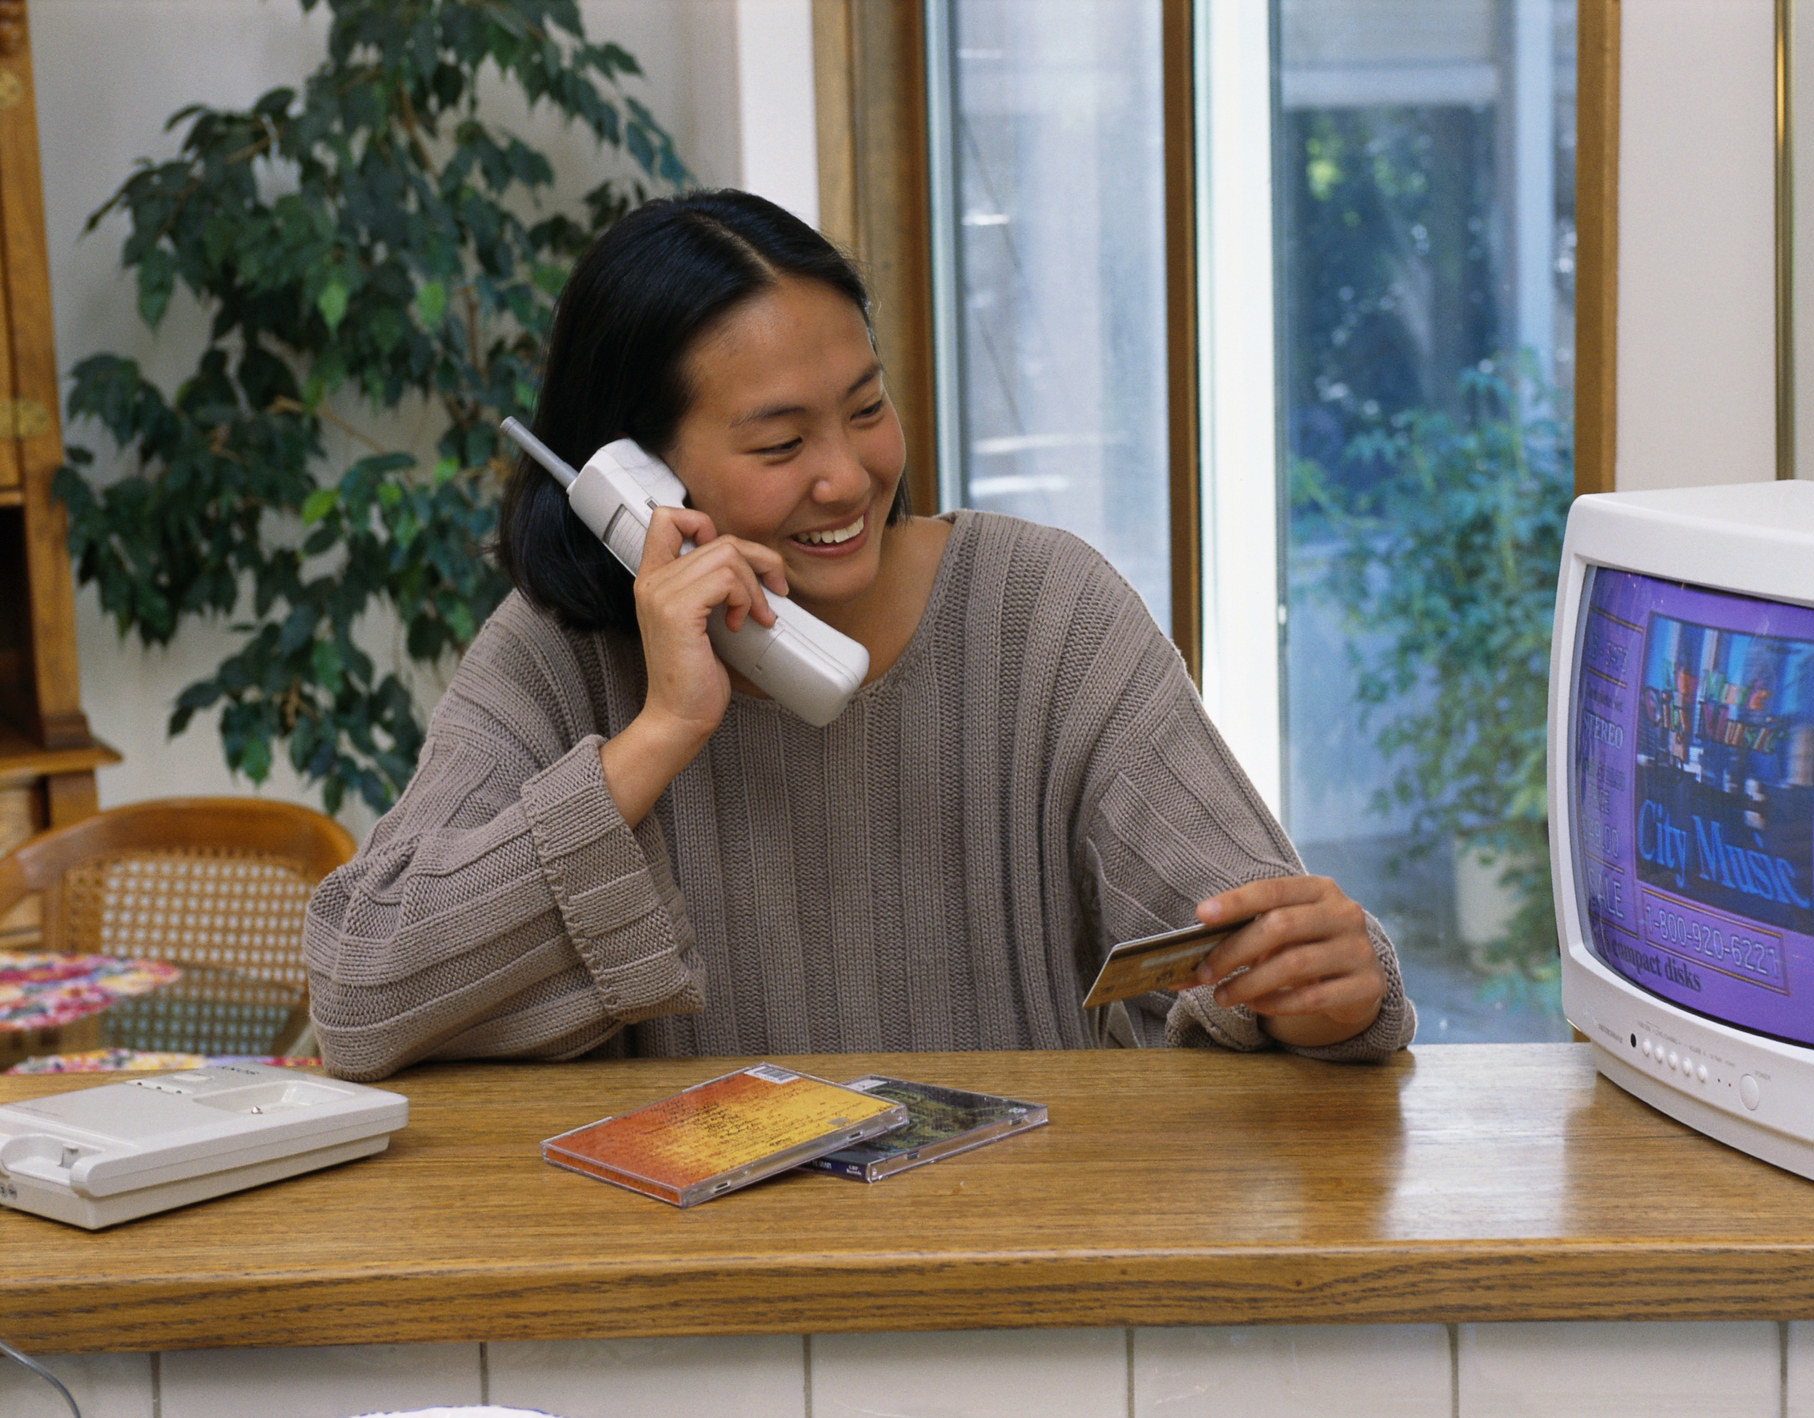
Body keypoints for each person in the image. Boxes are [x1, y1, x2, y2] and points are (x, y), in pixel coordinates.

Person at [302, 189, 1413, 1081]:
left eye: (868, 407)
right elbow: (357, 1000)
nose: (848, 473)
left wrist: (1318, 998)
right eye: (781, 443)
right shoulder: (557, 655)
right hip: (687, 1294)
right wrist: (661, 732)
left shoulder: (1046, 610)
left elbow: (1245, 962)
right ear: (634, 478)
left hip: (1019, 1264)